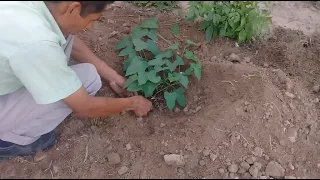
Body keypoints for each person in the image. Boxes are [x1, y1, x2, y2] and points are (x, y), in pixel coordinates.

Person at [0, 1, 153, 160]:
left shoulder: (31, 8)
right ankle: (9, 141)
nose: (89, 27)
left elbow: (71, 42)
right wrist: (134, 103)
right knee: (88, 80)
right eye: (91, 20)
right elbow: (85, 107)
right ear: (73, 8)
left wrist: (113, 76)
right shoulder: (38, 44)